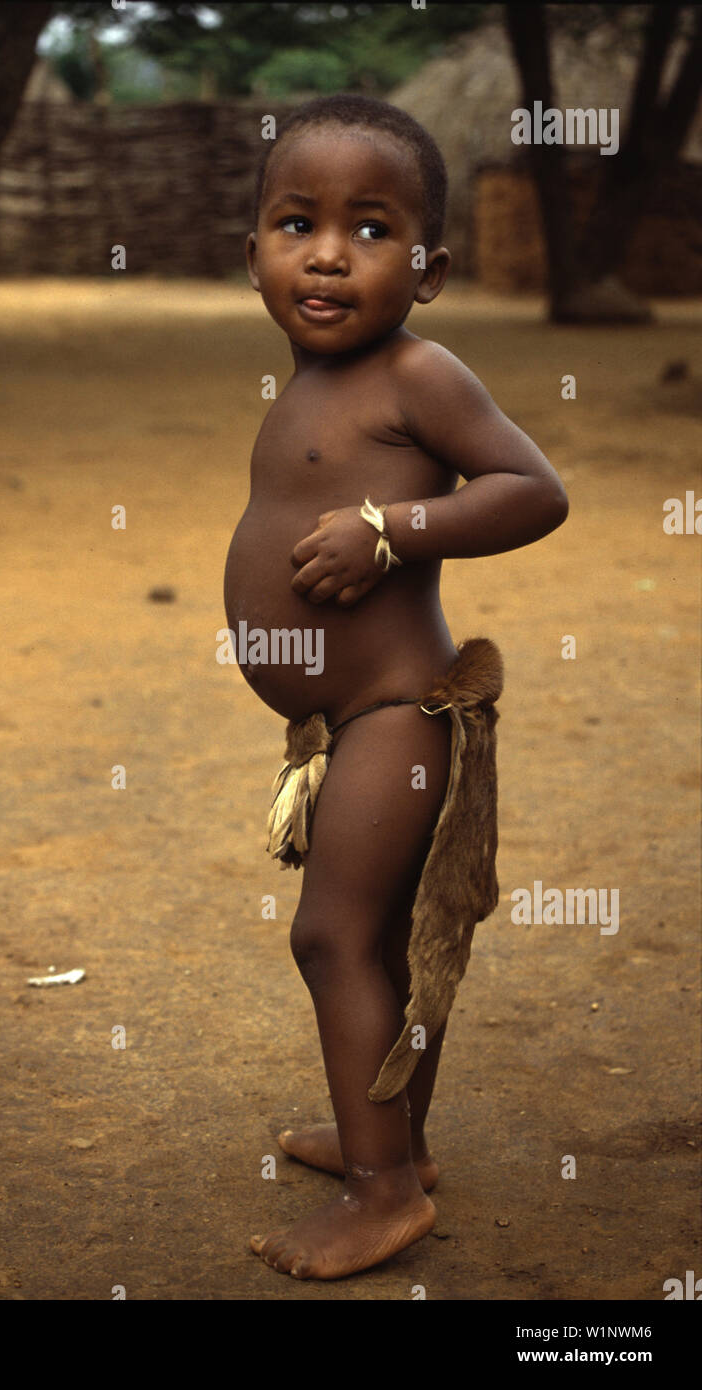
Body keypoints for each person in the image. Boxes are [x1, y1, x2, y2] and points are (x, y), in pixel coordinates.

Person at [222, 94, 568, 1281]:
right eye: (296, 223)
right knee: (380, 943)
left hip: (401, 717)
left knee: (335, 935)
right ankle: (396, 1140)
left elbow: (533, 490)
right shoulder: (309, 378)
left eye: (371, 229)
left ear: (429, 270)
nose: (327, 253)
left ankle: (382, 1191)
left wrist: (392, 527)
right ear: (254, 252)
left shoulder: (420, 373)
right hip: (345, 723)